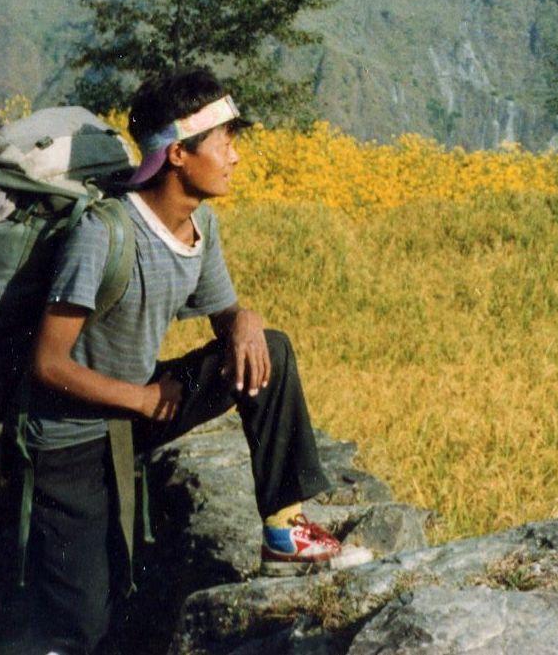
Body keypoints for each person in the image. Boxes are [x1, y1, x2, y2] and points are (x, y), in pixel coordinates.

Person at [22, 66, 365, 654]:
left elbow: (226, 315)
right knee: (87, 629)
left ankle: (283, 531)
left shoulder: (199, 223)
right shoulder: (104, 235)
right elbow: (47, 365)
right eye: (224, 141)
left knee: (270, 351)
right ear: (178, 153)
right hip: (72, 438)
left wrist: (245, 320)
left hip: (136, 407)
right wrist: (142, 398)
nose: (235, 156)